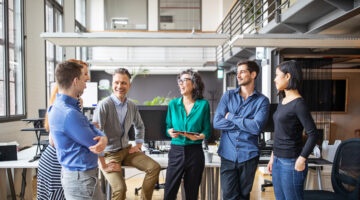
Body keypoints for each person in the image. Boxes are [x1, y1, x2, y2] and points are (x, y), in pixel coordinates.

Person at [92, 68, 161, 200]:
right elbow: (97, 135)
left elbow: (140, 126)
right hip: (108, 154)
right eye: (116, 82)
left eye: (124, 83)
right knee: (120, 189)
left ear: (129, 85)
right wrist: (102, 163)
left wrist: (139, 144)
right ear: (112, 85)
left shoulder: (131, 106)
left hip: (126, 150)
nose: (119, 86)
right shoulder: (104, 106)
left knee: (154, 168)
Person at [47, 61, 108, 200]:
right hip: (81, 179)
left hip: (77, 176)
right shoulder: (69, 113)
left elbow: (87, 125)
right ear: (75, 81)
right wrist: (103, 137)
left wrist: (96, 131)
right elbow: (94, 142)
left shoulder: (58, 107)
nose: (86, 85)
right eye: (83, 79)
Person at [213, 60, 270, 200]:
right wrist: (245, 123)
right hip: (228, 154)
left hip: (248, 155)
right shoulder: (228, 96)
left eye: (242, 72)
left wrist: (231, 116)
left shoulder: (262, 101)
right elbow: (217, 122)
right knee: (228, 195)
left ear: (253, 74)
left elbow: (256, 127)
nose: (238, 75)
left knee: (243, 196)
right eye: (237, 72)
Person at [267, 60, 318, 200]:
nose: (274, 79)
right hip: (277, 159)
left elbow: (313, 134)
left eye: (277, 75)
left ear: (288, 76)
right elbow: (279, 133)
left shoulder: (298, 104)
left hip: (291, 162)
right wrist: (272, 157)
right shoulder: (283, 101)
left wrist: (302, 159)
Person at [164, 69, 211, 200]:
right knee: (169, 192)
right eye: (180, 81)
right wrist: (170, 132)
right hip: (176, 152)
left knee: (192, 193)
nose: (181, 84)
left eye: (185, 80)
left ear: (194, 84)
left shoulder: (203, 105)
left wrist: (199, 136)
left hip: (195, 153)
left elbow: (207, 131)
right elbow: (168, 126)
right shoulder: (173, 104)